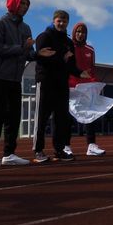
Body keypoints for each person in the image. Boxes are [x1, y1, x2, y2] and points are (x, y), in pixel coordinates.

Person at [0, 0, 48, 167]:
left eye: (27, 4)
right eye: (22, 4)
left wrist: (38, 54)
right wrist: (22, 47)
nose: (25, 7)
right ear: (13, 4)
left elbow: (27, 53)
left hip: (15, 78)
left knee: (14, 116)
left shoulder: (26, 28)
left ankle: (9, 153)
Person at [32, 10, 90, 163]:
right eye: (59, 20)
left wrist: (79, 73)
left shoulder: (68, 42)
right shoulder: (44, 37)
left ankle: (59, 150)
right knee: (42, 117)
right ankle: (38, 151)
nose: (62, 23)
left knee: (61, 119)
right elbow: (42, 59)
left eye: (65, 21)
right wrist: (61, 58)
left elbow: (70, 65)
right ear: (54, 20)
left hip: (62, 83)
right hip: (45, 81)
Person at [67, 22, 106, 156]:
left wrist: (94, 84)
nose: (80, 34)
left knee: (91, 115)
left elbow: (92, 70)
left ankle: (91, 145)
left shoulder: (90, 49)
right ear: (74, 32)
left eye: (83, 32)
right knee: (68, 117)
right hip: (71, 88)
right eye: (78, 31)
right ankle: (66, 146)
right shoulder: (68, 46)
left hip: (87, 88)